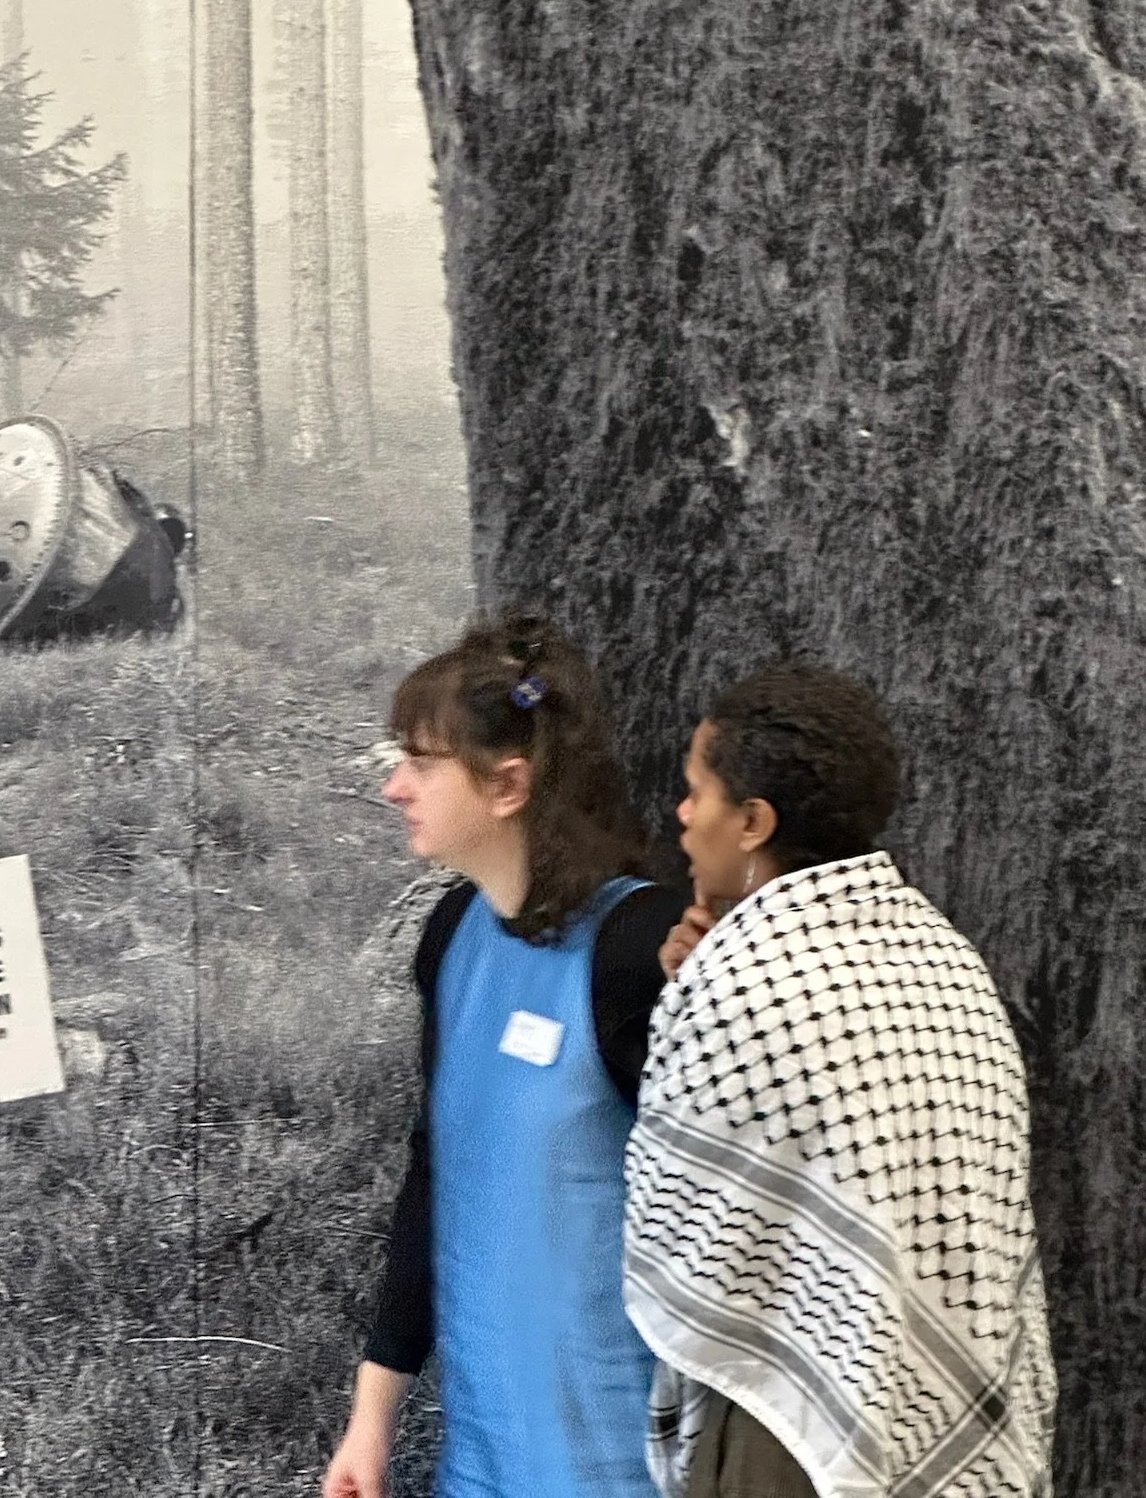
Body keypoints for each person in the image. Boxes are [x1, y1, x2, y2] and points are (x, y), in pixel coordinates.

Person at [624, 662, 1057, 1498]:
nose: (680, 815)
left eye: (696, 791)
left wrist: (702, 985)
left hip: (789, 1423)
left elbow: (684, 1230)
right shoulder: (944, 957)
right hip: (928, 1402)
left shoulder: (747, 979)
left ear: (753, 822)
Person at [323, 613, 685, 1498]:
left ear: (508, 784)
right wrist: (373, 1418)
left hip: (622, 1464)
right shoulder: (451, 934)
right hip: (483, 1458)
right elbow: (434, 1173)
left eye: (421, 763)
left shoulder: (641, 947)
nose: (394, 788)